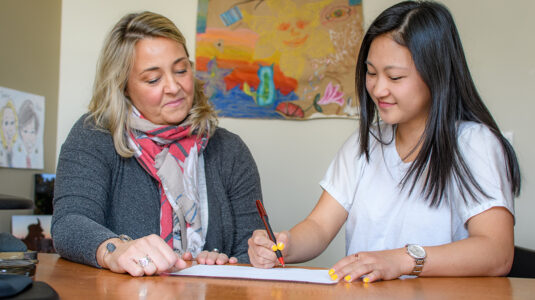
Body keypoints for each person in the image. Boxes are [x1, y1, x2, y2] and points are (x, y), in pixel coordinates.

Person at [248, 1, 521, 283]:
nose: (378, 89)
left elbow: (496, 252)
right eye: (371, 72)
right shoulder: (364, 143)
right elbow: (318, 226)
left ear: (437, 75)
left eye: (395, 76)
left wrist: (400, 260)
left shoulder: (475, 144)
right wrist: (284, 244)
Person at [52, 11, 264, 277]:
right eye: (153, 79)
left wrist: (224, 263)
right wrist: (116, 250)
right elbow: (69, 224)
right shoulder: (93, 134)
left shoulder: (230, 151)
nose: (174, 87)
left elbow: (253, 247)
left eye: (181, 70)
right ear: (123, 86)